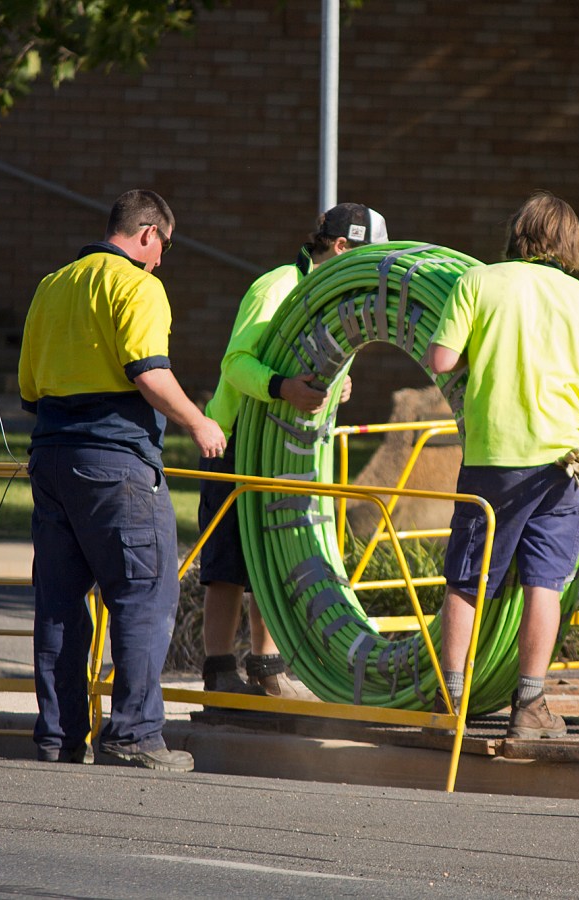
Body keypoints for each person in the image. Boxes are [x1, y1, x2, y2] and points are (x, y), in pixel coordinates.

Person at [19, 189, 227, 771]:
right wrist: (199, 421)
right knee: (143, 595)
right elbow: (148, 373)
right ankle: (133, 735)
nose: (162, 260)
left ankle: (59, 738)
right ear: (147, 235)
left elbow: (29, 389)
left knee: (60, 604)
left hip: (52, 459)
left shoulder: (52, 285)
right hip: (117, 464)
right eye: (164, 246)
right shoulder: (138, 286)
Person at [426, 191, 579, 739]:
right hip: (561, 463)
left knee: (467, 580)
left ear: (517, 233)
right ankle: (530, 705)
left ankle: (450, 702)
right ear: (571, 244)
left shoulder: (477, 283)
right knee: (545, 582)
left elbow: (441, 360)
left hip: (492, 459)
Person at [198, 203, 387, 701]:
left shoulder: (331, 298)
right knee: (228, 564)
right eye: (367, 255)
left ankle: (266, 666)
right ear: (342, 247)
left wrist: (339, 386)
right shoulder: (278, 286)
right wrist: (282, 387)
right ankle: (219, 670)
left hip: (284, 444)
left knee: (273, 554)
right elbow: (236, 363)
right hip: (234, 442)